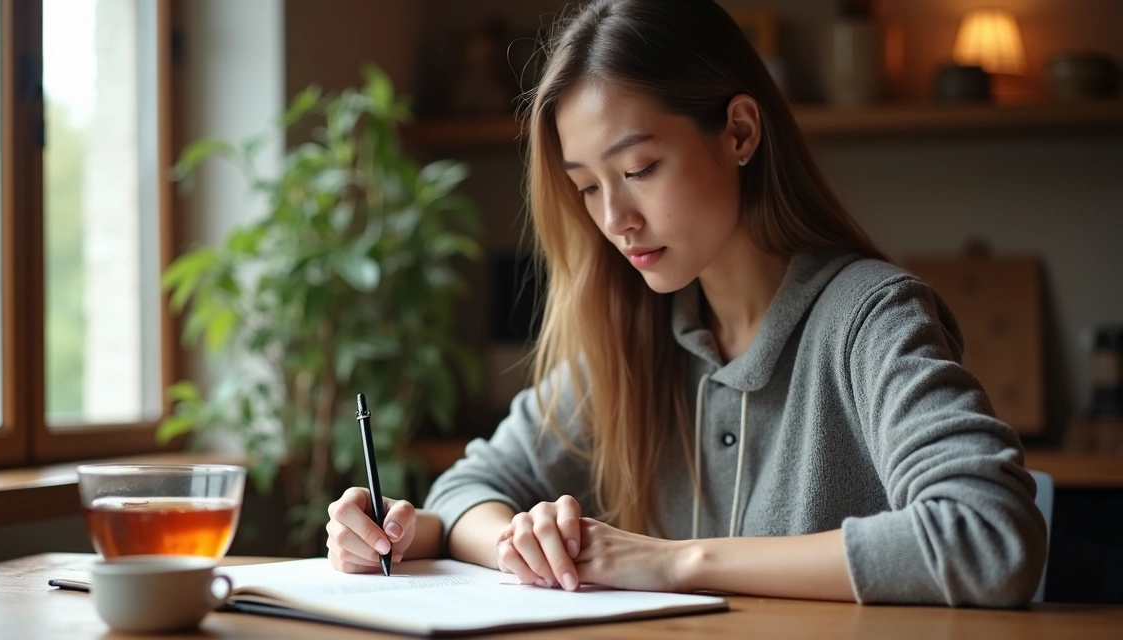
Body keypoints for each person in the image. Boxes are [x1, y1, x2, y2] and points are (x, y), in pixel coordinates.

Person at [325, 0, 1046, 607]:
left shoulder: (870, 319)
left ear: (738, 131)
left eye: (638, 169)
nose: (615, 218)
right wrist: (500, 539)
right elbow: (469, 486)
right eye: (587, 186)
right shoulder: (639, 332)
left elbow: (989, 534)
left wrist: (672, 562)